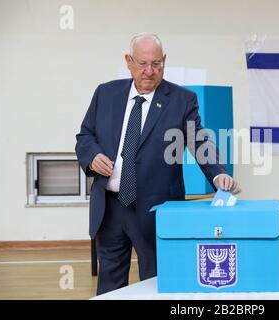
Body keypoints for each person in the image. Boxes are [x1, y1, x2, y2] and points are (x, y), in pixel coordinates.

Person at [75, 33, 237, 295]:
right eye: (142, 64)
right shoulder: (105, 93)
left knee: (157, 284)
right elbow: (85, 136)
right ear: (129, 61)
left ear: (164, 61)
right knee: (110, 287)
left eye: (157, 64)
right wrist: (92, 156)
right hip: (109, 208)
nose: (149, 72)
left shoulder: (182, 100)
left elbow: (199, 140)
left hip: (155, 209)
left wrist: (218, 174)